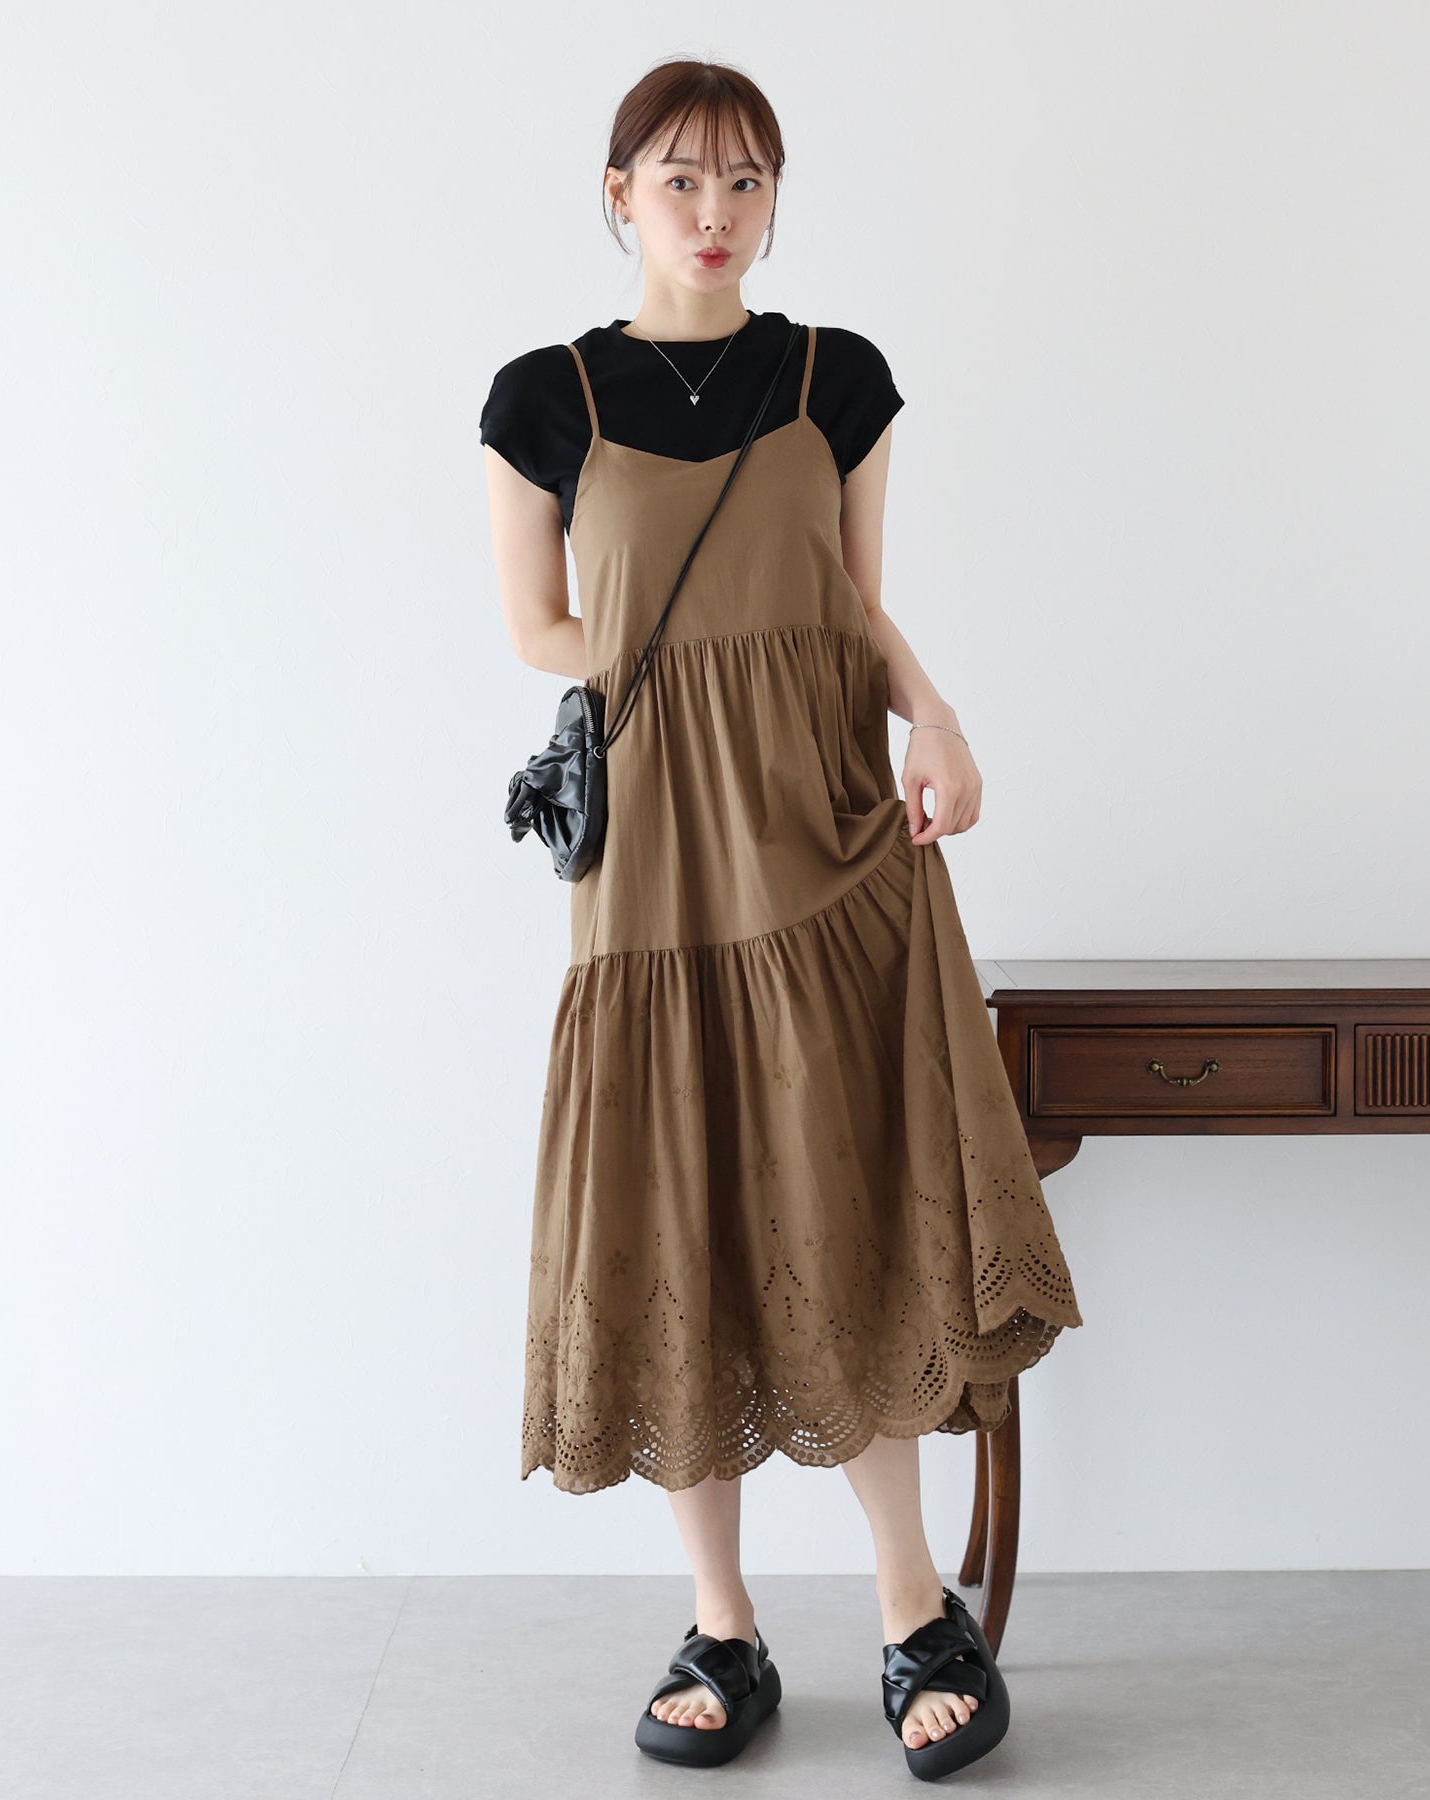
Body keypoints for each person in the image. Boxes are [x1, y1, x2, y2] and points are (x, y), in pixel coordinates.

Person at [481, 56, 1082, 1778]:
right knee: (679, 1210)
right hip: (658, 869)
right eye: (682, 179)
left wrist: (937, 722)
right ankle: (722, 1625)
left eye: (747, 181)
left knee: (845, 1200)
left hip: (821, 842)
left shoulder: (839, 379)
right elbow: (536, 628)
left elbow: (855, 605)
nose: (717, 213)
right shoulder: (543, 400)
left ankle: (912, 1608)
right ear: (619, 194)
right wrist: (686, 662)